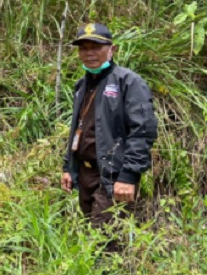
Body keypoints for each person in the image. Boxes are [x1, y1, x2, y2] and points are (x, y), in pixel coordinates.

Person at [60, 23, 158, 238]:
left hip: (113, 175)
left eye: (96, 47)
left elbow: (143, 130)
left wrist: (128, 176)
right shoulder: (82, 85)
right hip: (85, 174)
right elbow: (78, 128)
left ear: (112, 49)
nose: (89, 53)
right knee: (90, 238)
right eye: (83, 48)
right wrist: (69, 166)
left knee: (105, 242)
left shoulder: (128, 82)